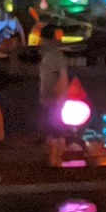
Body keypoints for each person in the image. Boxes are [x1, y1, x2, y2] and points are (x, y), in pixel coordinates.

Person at [39, 37, 69, 165]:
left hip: (53, 101)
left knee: (55, 133)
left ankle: (56, 161)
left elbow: (62, 77)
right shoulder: (52, 56)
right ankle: (55, 161)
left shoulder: (54, 56)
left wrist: (59, 99)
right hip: (51, 100)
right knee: (54, 132)